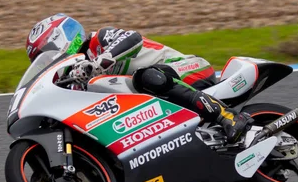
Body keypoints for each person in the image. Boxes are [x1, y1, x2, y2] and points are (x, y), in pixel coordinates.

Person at [25, 13, 253, 143]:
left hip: (188, 69)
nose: (49, 57)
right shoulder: (77, 78)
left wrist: (100, 61)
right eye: (42, 57)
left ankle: (229, 117)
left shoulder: (100, 39)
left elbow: (132, 38)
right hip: (162, 97)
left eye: (49, 50)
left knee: (145, 77)